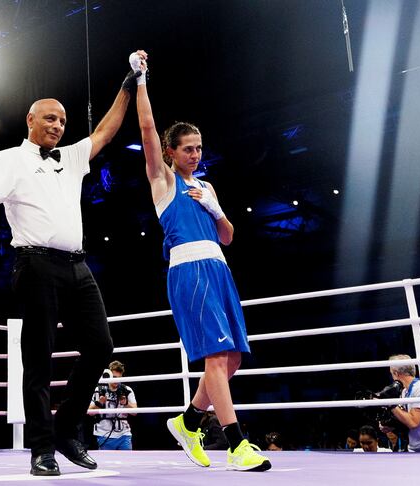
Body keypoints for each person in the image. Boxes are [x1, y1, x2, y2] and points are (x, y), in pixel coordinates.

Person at [0, 52, 143, 476]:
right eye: (49, 118)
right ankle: (41, 449)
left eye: (62, 120)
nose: (57, 126)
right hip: (35, 265)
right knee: (39, 359)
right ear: (30, 120)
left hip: (78, 267)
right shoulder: (11, 158)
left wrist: (127, 85)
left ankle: (65, 430)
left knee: (101, 347)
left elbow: (105, 131)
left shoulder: (72, 157)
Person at [132, 51, 270, 472]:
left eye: (199, 148)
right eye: (188, 149)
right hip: (189, 271)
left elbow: (228, 237)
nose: (195, 154)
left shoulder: (207, 187)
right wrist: (140, 80)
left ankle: (189, 422)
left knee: (233, 359)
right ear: (171, 152)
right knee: (216, 355)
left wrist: (217, 210)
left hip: (219, 268)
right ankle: (236, 444)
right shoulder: (163, 180)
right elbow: (147, 128)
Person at [89, 360, 137, 450]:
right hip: (103, 434)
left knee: (127, 459)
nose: (116, 380)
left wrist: (126, 403)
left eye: (119, 378)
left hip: (124, 434)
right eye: (114, 377)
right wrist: (99, 403)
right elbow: (89, 412)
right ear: (109, 375)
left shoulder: (127, 390)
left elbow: (135, 412)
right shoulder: (99, 390)